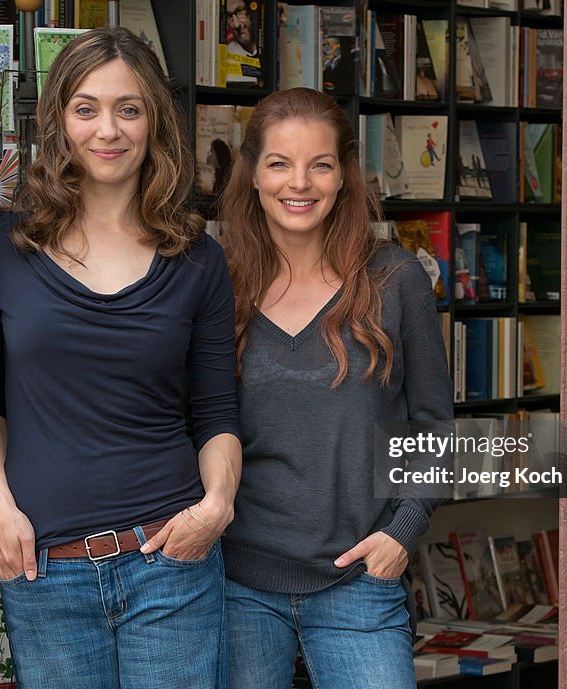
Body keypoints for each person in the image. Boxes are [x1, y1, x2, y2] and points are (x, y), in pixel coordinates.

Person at [0, 27, 242, 689]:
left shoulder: (199, 261)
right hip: (45, 568)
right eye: (86, 108)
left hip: (171, 561)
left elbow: (215, 410)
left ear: (154, 121)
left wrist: (217, 504)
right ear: (59, 122)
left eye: (129, 109)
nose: (109, 129)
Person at [219, 88, 453, 689]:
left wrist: (400, 534)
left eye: (320, 164)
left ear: (344, 176)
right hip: (236, 583)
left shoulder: (395, 279)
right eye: (279, 163)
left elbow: (436, 432)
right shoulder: (217, 283)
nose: (300, 183)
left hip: (360, 581)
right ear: (252, 175)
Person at [225, 0, 261, 86]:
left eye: (239, 11)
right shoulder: (225, 57)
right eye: (229, 16)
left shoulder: (270, 45)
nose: (236, 24)